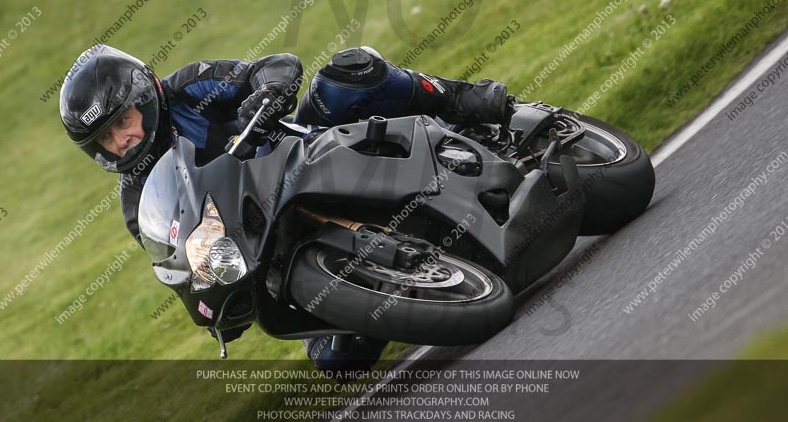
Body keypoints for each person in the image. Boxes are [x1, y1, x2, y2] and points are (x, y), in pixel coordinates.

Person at [59, 44, 509, 371]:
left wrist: (266, 91)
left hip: (310, 153)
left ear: (145, 100)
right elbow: (183, 262)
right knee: (338, 361)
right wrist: (211, 303)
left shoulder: (191, 89)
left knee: (346, 74)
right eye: (106, 138)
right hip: (273, 242)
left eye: (122, 121)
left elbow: (274, 66)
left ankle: (459, 100)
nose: (122, 140)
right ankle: (408, 276)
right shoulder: (139, 205)